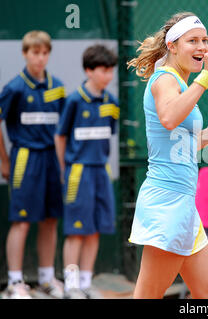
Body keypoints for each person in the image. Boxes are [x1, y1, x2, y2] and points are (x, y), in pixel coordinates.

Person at [127, 12, 208, 299]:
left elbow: (185, 145)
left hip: (185, 208)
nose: (202, 47)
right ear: (172, 46)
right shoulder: (164, 80)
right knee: (148, 295)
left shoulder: (181, 85)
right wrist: (207, 76)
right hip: (166, 205)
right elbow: (169, 117)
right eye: (192, 41)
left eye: (204, 40)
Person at [0, 31, 66, 299]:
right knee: (22, 220)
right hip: (25, 159)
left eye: (44, 53)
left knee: (50, 219)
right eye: (34, 53)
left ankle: (46, 278)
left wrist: (62, 164)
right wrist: (4, 160)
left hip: (52, 159)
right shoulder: (14, 88)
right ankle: (15, 282)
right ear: (25, 54)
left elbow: (62, 129)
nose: (40, 58)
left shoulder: (57, 86)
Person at [54, 44, 119, 299]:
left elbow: (108, 134)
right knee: (76, 231)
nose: (109, 76)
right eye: (104, 70)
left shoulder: (112, 103)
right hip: (77, 173)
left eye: (111, 70)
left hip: (100, 173)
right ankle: (71, 285)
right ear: (89, 71)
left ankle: (86, 281)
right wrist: (64, 169)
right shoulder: (73, 100)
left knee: (94, 230)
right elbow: (60, 137)